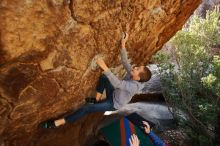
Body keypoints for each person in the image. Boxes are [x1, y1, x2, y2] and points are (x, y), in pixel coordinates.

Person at [40, 30, 152, 128]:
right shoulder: (133, 74)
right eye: (137, 67)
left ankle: (60, 122)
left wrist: (104, 67)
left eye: (137, 69)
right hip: (113, 93)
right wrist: (123, 44)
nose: (135, 68)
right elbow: (125, 62)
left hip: (113, 103)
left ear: (137, 78)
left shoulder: (133, 87)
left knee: (87, 107)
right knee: (104, 77)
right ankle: (97, 100)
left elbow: (118, 84)